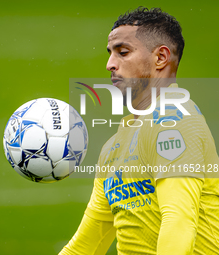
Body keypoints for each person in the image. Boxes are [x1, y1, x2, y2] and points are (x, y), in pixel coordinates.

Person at [59, 7, 219, 255]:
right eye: (110, 54)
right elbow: (84, 247)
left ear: (161, 58)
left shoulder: (175, 122)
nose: (109, 65)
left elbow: (178, 223)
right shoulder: (113, 146)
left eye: (123, 52)